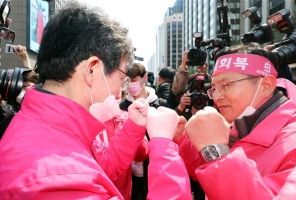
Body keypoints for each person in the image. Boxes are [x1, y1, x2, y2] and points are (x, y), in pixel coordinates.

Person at [0, 1, 192, 199]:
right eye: (121, 78)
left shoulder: (59, 125)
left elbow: (105, 167)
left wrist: (134, 126)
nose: (120, 92)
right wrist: (163, 148)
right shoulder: (56, 182)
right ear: (92, 70)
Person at [174, 43, 296, 199]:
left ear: (266, 86)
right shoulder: (239, 125)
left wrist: (217, 154)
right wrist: (181, 139)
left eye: (226, 85)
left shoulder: (295, 143)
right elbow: (207, 173)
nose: (218, 97)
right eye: (214, 88)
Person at [119, 62, 171, 200]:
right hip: (129, 169)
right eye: (127, 80)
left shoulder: (161, 104)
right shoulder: (122, 107)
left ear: (144, 78)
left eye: (134, 80)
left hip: (153, 166)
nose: (130, 84)